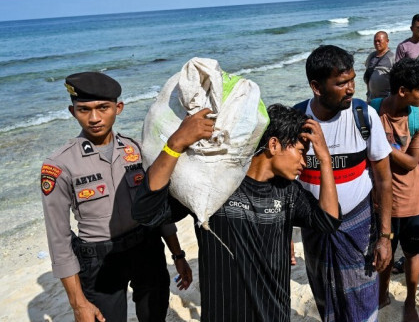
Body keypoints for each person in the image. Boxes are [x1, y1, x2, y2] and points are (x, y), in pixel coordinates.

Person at [133, 104, 342, 322]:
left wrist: (325, 159)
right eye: (301, 152)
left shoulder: (289, 193)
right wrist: (175, 145)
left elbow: (329, 221)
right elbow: (146, 212)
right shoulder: (213, 186)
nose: (304, 162)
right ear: (273, 144)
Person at [40, 72, 192, 322]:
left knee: (155, 315)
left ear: (118, 108)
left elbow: (157, 208)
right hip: (99, 261)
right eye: (84, 110)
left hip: (147, 248)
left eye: (103, 108)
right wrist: (78, 305)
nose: (94, 118)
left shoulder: (136, 149)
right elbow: (59, 239)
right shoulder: (59, 165)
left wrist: (178, 255)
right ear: (72, 111)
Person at [297, 45, 393, 321]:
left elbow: (384, 180)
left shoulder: (363, 116)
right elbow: (286, 182)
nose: (351, 88)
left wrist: (385, 237)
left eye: (352, 79)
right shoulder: (297, 121)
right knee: (325, 294)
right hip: (314, 228)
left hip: (359, 225)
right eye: (341, 83)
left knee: (363, 294)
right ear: (316, 87)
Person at [373, 58, 419, 321]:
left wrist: (381, 146)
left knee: (412, 254)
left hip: (413, 200)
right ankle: (382, 292)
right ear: (402, 91)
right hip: (379, 200)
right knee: (384, 253)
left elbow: (411, 162)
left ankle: (410, 300)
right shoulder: (373, 111)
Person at [364, 31, 395, 101]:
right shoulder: (371, 56)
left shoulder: (392, 58)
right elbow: (368, 74)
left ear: (387, 41)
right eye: (375, 41)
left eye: (379, 41)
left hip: (385, 99)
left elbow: (397, 79)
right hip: (371, 99)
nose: (377, 43)